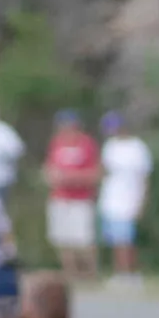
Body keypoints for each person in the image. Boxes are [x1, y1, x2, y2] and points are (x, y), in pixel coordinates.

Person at [41, 110, 103, 281]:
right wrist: (52, 177)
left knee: (85, 239)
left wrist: (71, 178)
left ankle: (90, 273)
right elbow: (49, 168)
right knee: (63, 239)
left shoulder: (87, 144)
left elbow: (95, 173)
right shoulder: (57, 144)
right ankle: (70, 273)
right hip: (60, 197)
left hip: (81, 198)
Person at [95, 110, 152, 276]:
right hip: (110, 199)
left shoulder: (137, 147)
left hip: (129, 199)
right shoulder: (110, 146)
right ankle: (119, 272)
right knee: (115, 240)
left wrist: (142, 201)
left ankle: (131, 272)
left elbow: (145, 177)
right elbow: (103, 171)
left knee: (127, 240)